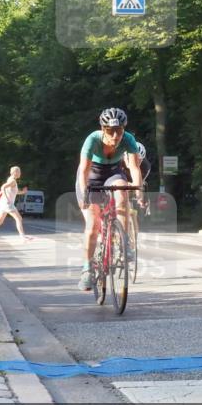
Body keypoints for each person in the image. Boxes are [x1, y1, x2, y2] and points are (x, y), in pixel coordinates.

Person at [76, 108, 145, 291]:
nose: (115, 136)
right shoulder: (92, 140)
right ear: (103, 129)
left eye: (119, 131)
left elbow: (134, 168)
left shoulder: (128, 139)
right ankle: (87, 269)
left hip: (113, 173)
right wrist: (85, 194)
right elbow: (83, 171)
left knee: (122, 191)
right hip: (91, 176)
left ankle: (124, 242)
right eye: (110, 131)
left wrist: (139, 191)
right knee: (93, 225)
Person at [0, 166, 30, 244]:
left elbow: (14, 192)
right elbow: (3, 187)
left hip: (3, 204)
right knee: (19, 218)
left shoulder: (10, 180)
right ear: (15, 172)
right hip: (8, 204)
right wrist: (7, 198)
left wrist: (22, 192)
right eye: (19, 171)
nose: (20, 173)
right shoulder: (13, 181)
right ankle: (23, 237)